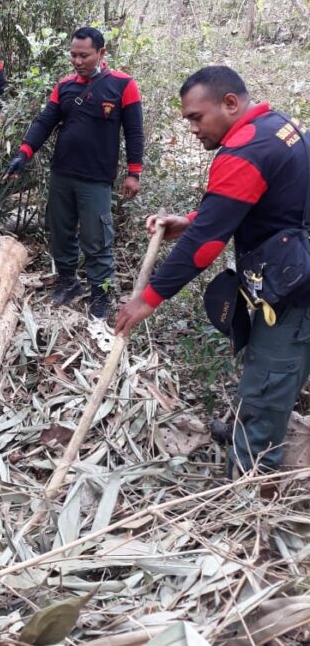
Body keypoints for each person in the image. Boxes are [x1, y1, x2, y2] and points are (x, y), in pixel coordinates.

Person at [115, 66, 310, 475]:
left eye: (196, 117)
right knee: (264, 363)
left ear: (231, 104)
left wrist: (146, 300)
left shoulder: (245, 152)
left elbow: (203, 247)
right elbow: (241, 204)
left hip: (298, 293)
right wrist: (191, 220)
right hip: (291, 269)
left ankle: (250, 479)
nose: (192, 128)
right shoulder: (275, 126)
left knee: (272, 374)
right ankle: (246, 426)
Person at [5, 26, 144, 316]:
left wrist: (134, 172)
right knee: (60, 230)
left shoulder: (122, 85)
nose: (77, 61)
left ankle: (100, 296)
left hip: (96, 179)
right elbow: (45, 122)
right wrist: (23, 154)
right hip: (62, 174)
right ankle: (68, 282)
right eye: (73, 55)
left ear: (102, 53)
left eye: (84, 56)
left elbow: (134, 131)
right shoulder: (65, 85)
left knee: (97, 238)